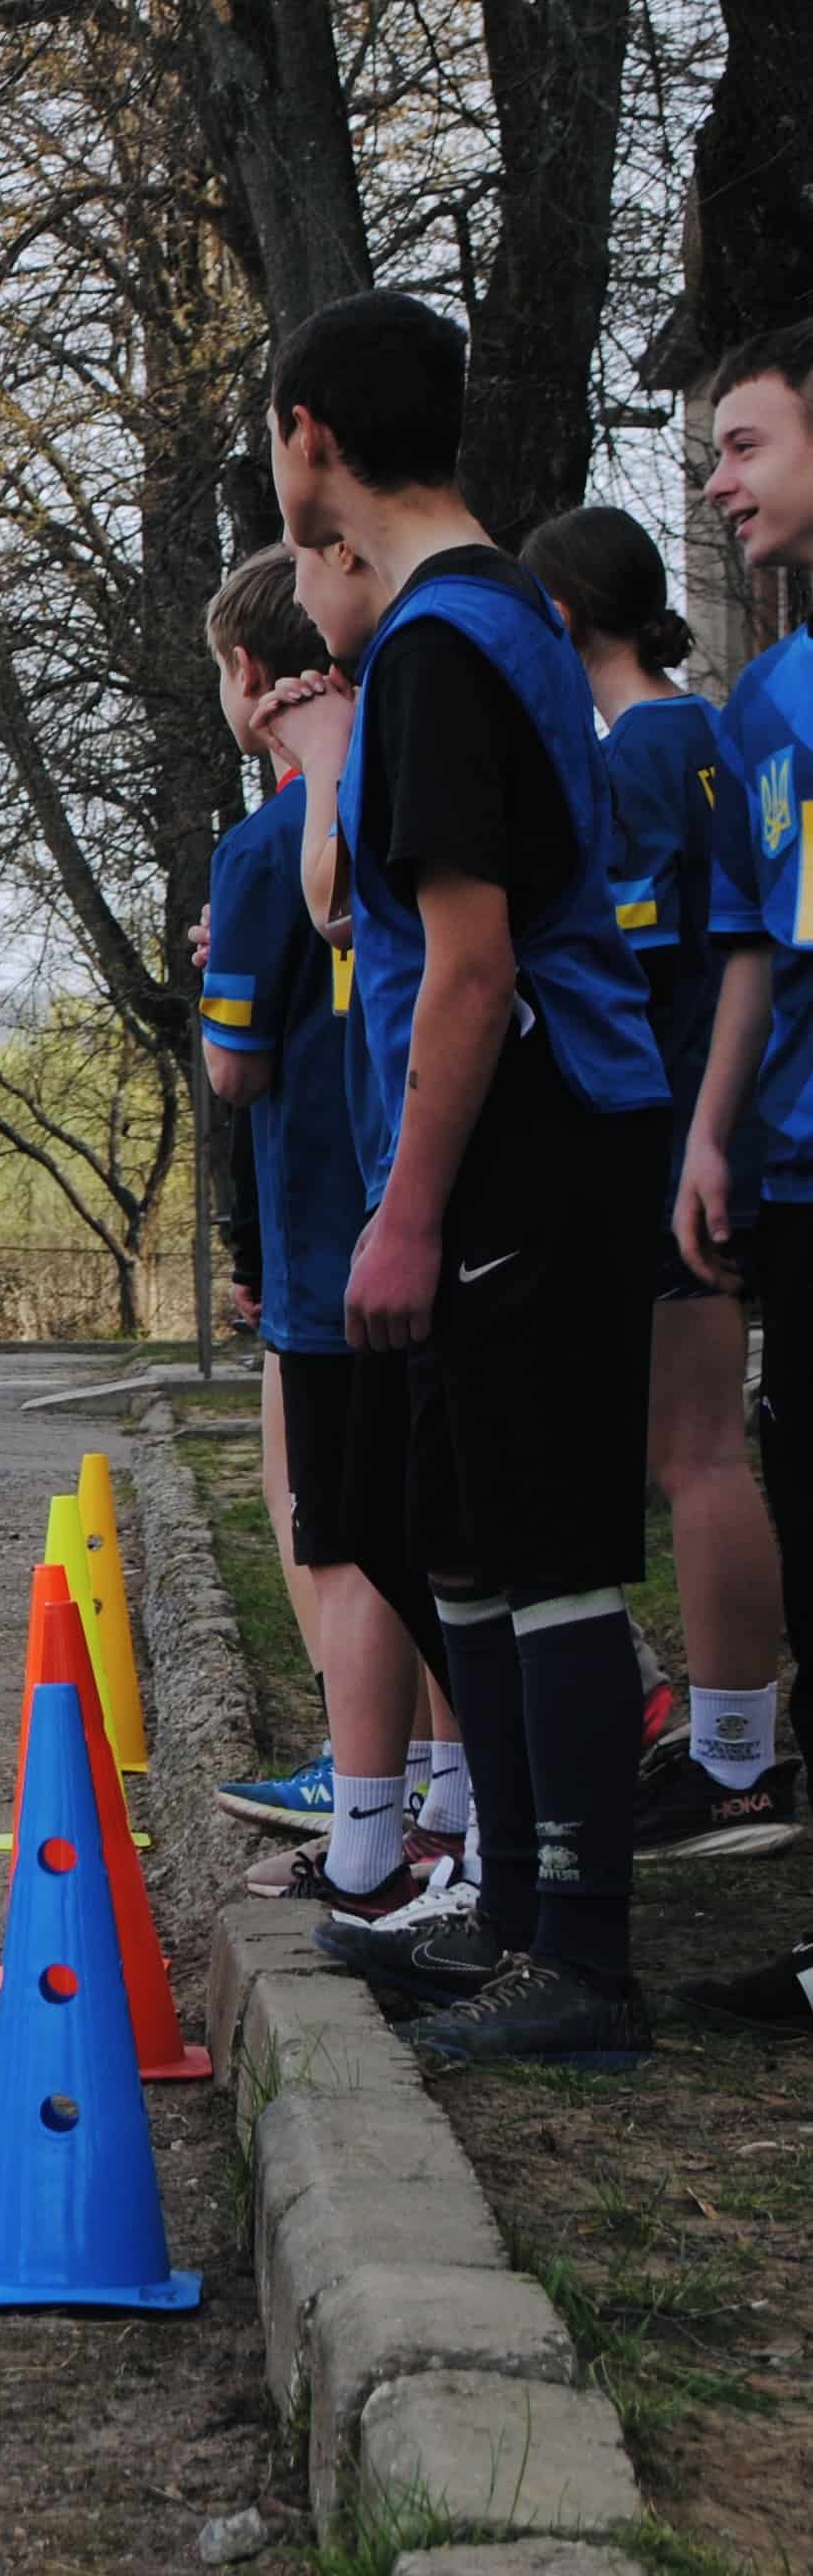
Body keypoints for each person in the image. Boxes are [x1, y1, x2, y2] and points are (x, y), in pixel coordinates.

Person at [260, 291, 676, 2069]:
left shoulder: (434, 644)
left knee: (547, 1549)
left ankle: (575, 1953)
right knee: (470, 1547)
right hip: (518, 1149)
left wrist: (406, 1206)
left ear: (311, 444)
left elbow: (471, 965)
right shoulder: (495, 612)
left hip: (526, 1150)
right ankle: (508, 1916)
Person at [522, 503, 797, 1864]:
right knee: (703, 1444)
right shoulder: (713, 730)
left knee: (693, 1449)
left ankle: (737, 1757)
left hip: (670, 1140)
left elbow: (618, 968)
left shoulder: (639, 755)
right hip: (717, 1129)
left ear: (561, 620)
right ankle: (730, 1739)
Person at [194, 544, 446, 1912]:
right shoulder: (404, 802)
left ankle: (364, 1819)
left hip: (314, 1230)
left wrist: (220, 978)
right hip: (417, 1205)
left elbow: (236, 1066)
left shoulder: (258, 845)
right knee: (436, 1527)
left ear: (251, 676)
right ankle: (446, 1803)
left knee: (335, 1534)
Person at [672, 315, 813, 2033]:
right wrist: (708, 1132)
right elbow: (753, 946)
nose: (713, 483)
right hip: (785, 1171)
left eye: (745, 444)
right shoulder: (767, 699)